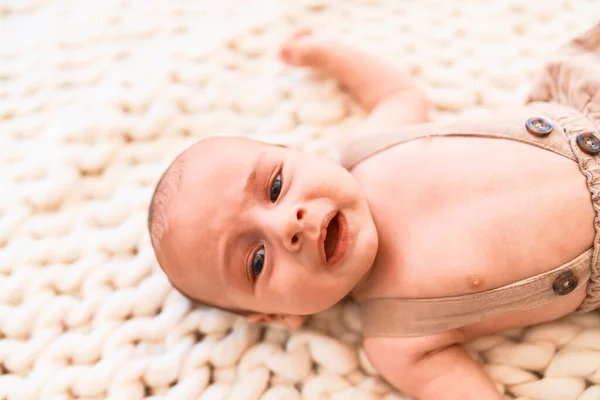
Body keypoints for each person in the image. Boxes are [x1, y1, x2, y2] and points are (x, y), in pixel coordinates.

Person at [148, 24, 600, 399]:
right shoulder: (397, 338)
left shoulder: (367, 149)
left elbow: (393, 92)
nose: (287, 224)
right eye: (257, 261)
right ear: (275, 315)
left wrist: (329, 54)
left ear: (300, 152)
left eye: (276, 186)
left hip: (581, 111)